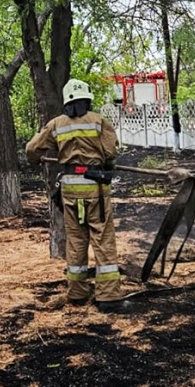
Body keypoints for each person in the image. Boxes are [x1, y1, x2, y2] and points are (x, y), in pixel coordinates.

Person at [25, 78, 128, 312]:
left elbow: (31, 149)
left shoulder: (56, 124)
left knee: (76, 240)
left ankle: (78, 293)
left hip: (70, 189)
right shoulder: (99, 121)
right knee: (102, 239)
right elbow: (110, 153)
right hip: (95, 188)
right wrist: (107, 166)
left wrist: (36, 159)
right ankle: (108, 297)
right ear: (87, 100)